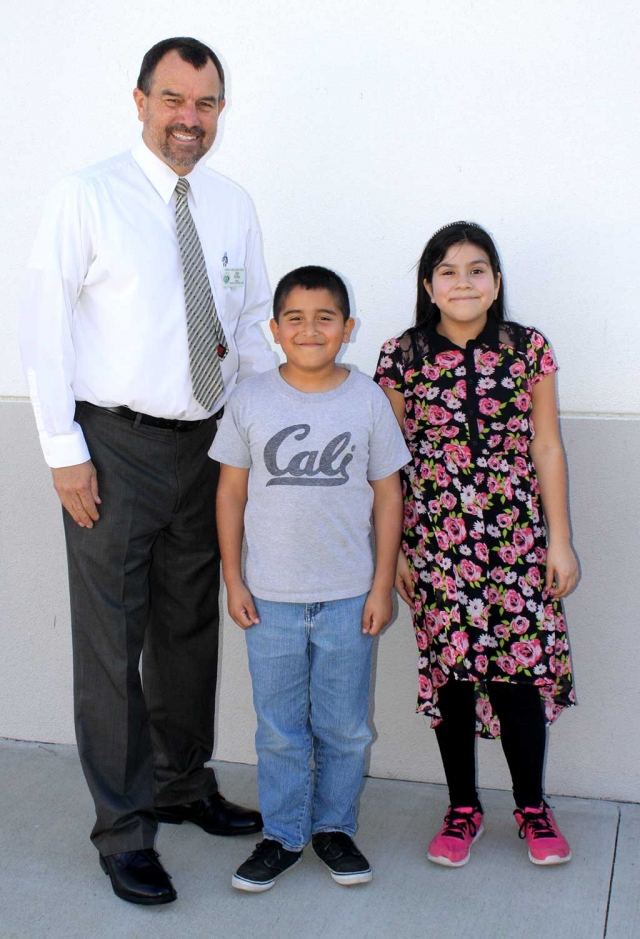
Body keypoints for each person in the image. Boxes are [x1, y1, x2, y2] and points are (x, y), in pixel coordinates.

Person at [19, 37, 278, 905]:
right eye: (174, 100)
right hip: (113, 448)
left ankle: (182, 780)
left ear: (220, 112)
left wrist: (251, 447)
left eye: (205, 104)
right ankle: (124, 829)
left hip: (206, 445)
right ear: (139, 101)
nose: (189, 119)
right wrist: (64, 452)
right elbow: (44, 327)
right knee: (110, 643)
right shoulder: (86, 196)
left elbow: (245, 331)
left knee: (186, 630)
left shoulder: (233, 204)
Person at [374, 221, 579, 868]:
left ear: (495, 283)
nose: (463, 281)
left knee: (518, 672)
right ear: (429, 285)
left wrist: (561, 541)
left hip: (518, 538)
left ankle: (531, 805)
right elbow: (388, 463)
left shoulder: (528, 349)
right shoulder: (402, 356)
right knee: (454, 674)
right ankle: (462, 805)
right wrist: (399, 552)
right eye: (448, 270)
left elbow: (547, 445)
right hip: (436, 540)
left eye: (477, 269)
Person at [212, 266, 410, 892]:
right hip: (269, 597)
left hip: (350, 596)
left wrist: (381, 585)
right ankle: (283, 834)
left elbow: (387, 495)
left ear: (348, 328)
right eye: (294, 318)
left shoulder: (367, 398)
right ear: (274, 330)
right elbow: (230, 494)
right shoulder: (250, 399)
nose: (310, 329)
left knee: (345, 724)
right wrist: (233, 579)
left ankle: (333, 828)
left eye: (325, 317)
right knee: (278, 726)